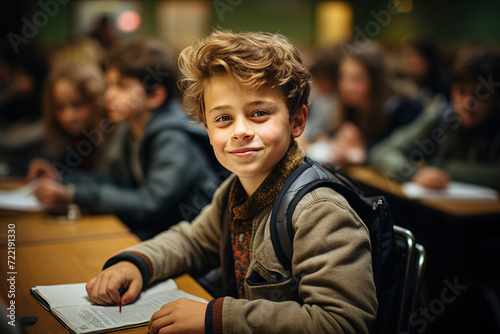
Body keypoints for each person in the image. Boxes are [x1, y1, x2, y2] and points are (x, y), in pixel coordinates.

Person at [85, 30, 377, 334]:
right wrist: (138, 262)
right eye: (223, 119)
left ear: (297, 121)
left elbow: (343, 322)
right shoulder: (235, 190)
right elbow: (192, 242)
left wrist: (220, 317)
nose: (240, 131)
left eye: (259, 113)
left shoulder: (319, 211)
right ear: (207, 130)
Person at [29, 38, 220, 240]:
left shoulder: (174, 138)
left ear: (155, 95)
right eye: (109, 85)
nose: (109, 95)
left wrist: (72, 194)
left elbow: (150, 204)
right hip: (159, 239)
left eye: (121, 86)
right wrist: (62, 179)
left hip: (192, 251)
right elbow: (120, 184)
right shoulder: (133, 130)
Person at [369, 45, 500, 190]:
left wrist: (438, 166)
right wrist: (414, 173)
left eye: (481, 93)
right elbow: (382, 152)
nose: (468, 103)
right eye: (461, 91)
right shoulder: (439, 118)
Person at [306, 41, 422, 168]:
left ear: (376, 81)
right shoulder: (351, 108)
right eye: (343, 77)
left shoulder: (403, 109)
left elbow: (397, 152)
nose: (347, 87)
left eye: (357, 79)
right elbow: (340, 139)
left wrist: (364, 152)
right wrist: (331, 138)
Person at [28, 61, 121, 175]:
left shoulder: (117, 138)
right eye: (59, 107)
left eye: (77, 105)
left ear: (96, 101)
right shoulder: (76, 139)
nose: (68, 117)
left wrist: (65, 185)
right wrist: (53, 171)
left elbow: (109, 185)